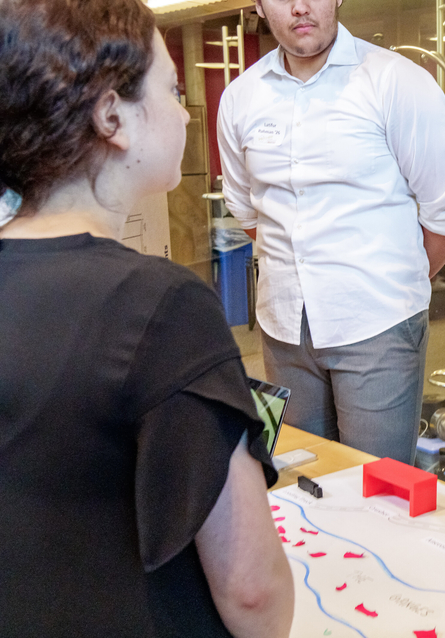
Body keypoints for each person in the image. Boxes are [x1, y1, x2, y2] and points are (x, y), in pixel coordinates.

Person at [0, 1, 293, 635]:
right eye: (173, 89)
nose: (186, 111)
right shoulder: (161, 305)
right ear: (112, 115)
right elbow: (250, 590)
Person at [218, 0, 445, 464]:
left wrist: (394, 281)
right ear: (256, 5)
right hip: (283, 329)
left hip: (379, 326)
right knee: (302, 475)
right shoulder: (241, 97)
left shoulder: (395, 81)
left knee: (377, 490)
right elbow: (248, 211)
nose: (299, 6)